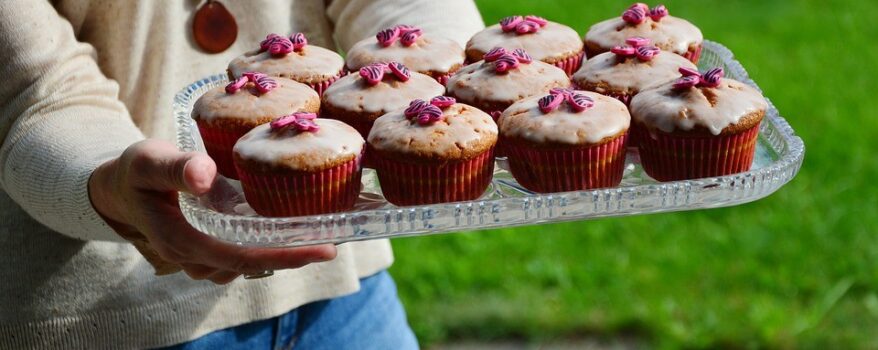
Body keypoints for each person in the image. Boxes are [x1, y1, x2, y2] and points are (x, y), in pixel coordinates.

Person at [0, 1, 484, 348]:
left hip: (342, 292)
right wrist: (109, 184)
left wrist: (441, 67)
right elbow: (32, 91)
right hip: (105, 319)